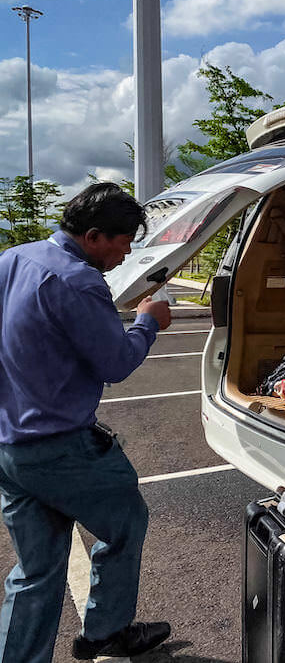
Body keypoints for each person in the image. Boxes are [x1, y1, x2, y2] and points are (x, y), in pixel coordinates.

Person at [0, 183, 173, 662]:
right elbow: (115, 363)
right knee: (126, 522)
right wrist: (148, 321)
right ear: (94, 236)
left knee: (36, 570)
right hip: (60, 446)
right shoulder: (78, 281)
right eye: (122, 242)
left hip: (10, 443)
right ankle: (105, 632)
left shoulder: (14, 258)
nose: (128, 251)